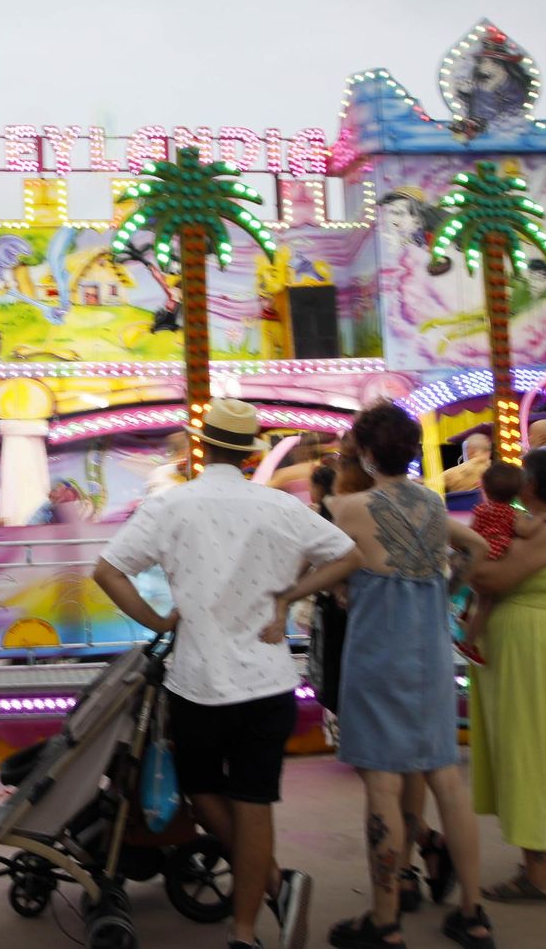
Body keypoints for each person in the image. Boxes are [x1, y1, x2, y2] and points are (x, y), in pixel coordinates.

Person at [93, 399, 361, 949]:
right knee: (255, 803)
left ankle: (276, 883)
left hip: (196, 679)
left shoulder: (172, 506)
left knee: (201, 790)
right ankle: (246, 928)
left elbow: (107, 570)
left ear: (203, 446)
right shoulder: (278, 507)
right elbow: (347, 555)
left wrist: (156, 618)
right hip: (266, 681)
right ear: (248, 454)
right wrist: (290, 592)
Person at [320, 403, 493, 949]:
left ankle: (385, 918)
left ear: (367, 453)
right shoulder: (433, 504)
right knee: (447, 781)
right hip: (431, 655)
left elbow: (327, 566)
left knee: (384, 787)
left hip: (378, 657)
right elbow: (479, 548)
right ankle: (473, 912)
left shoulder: (347, 507)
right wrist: (449, 588)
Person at [469, 448, 546, 901]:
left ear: (532, 487)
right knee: (538, 751)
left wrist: (466, 555)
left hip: (526, 640)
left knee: (522, 749)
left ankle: (536, 871)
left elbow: (493, 580)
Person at [457, 462, 542, 663]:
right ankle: (468, 644)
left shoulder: (480, 509)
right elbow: (525, 531)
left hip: (476, 555)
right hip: (493, 557)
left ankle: (465, 613)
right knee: (486, 603)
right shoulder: (512, 514)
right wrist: (539, 520)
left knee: (473, 591)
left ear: (484, 488)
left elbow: (472, 530)